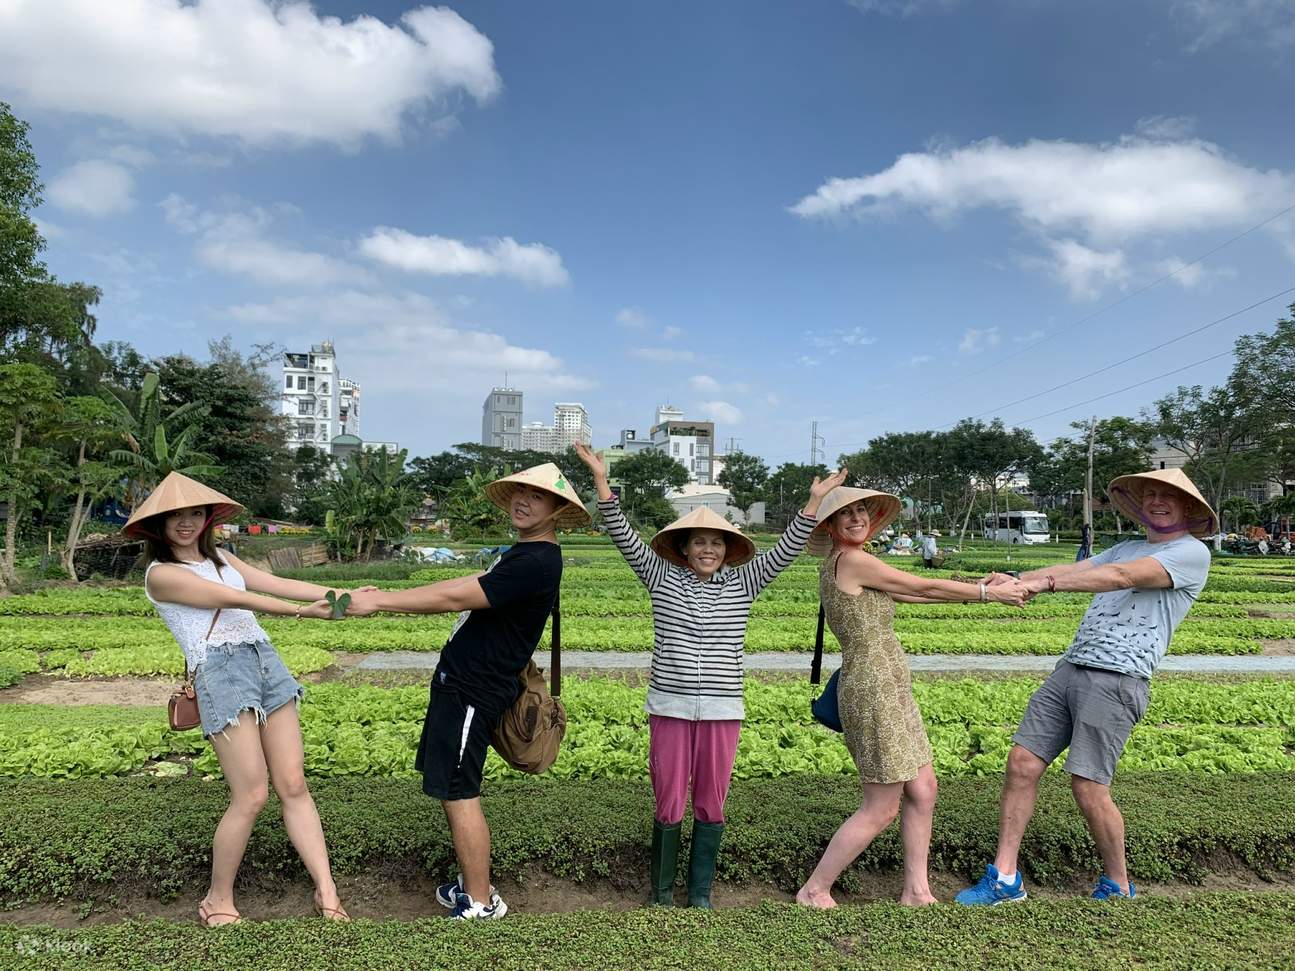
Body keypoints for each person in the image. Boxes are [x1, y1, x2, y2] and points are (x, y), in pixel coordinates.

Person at [574, 442, 845, 908]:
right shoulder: (660, 575)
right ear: (683, 547)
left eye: (716, 542)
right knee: (667, 800)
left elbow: (785, 551)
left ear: (727, 549)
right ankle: (661, 894)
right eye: (699, 541)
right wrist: (602, 480)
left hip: (723, 708)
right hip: (670, 706)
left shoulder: (744, 581)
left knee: (712, 802)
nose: (708, 549)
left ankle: (699, 894)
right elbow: (624, 535)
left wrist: (814, 502)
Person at [955, 468, 1215, 906]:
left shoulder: (1191, 553)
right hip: (1071, 668)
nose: (1156, 502)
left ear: (1187, 507)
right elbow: (1078, 567)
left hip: (1118, 679)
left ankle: (1118, 884)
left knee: (1088, 785)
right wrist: (1016, 579)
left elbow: (1119, 577)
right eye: (1149, 495)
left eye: (1167, 497)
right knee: (1021, 763)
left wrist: (1045, 584)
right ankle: (1005, 878)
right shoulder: (1128, 546)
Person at [342, 463, 590, 920]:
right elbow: (461, 587)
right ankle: (472, 884)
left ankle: (479, 901)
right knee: (449, 785)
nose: (522, 500)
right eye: (517, 491)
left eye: (536, 496)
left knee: (460, 789)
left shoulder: (537, 561)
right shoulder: (524, 552)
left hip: (475, 691)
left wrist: (379, 602)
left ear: (557, 510)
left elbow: (456, 597)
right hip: (459, 684)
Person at [125, 472, 365, 927]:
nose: (186, 522)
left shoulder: (224, 559)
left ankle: (327, 891)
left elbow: (280, 584)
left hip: (264, 662)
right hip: (220, 670)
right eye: (175, 514)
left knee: (293, 783)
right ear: (157, 523)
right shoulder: (162, 575)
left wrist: (343, 595)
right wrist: (302, 614)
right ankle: (218, 898)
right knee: (252, 794)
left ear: (208, 517)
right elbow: (236, 598)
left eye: (195, 512)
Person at [795, 488, 1029, 909]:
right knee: (880, 807)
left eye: (861, 510)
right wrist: (989, 594)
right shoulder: (851, 560)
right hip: (873, 690)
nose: (856, 518)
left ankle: (917, 892)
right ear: (829, 526)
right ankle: (815, 890)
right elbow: (922, 584)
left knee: (923, 788)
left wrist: (980, 583)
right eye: (844, 514)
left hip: (890, 687)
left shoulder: (857, 565)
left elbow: (914, 591)